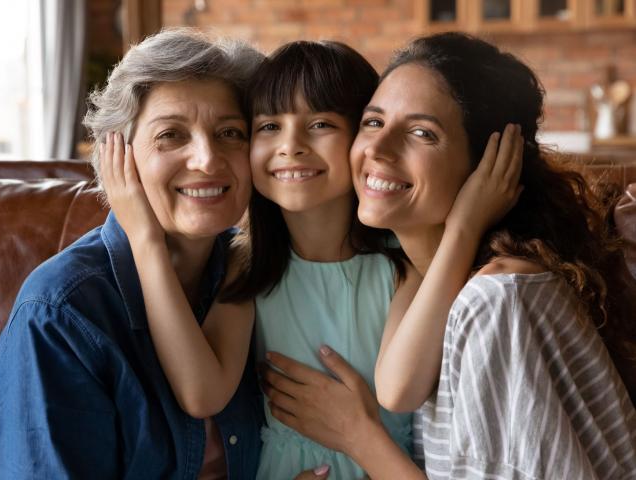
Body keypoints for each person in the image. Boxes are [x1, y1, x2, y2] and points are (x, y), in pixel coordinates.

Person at [104, 39, 520, 479]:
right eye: (268, 126)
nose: (291, 145)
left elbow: (400, 389)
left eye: (320, 123)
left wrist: (464, 227)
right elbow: (202, 394)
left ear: (362, 134)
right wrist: (144, 239)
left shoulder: (400, 263)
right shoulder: (250, 262)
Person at [261, 32, 636, 480]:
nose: (378, 150)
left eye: (422, 133)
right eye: (374, 122)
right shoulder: (427, 286)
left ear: (487, 165)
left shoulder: (497, 300)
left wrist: (357, 435)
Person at [0, 28, 265, 479]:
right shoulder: (60, 312)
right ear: (119, 156)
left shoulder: (252, 273)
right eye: (171, 135)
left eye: (230, 132)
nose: (207, 159)